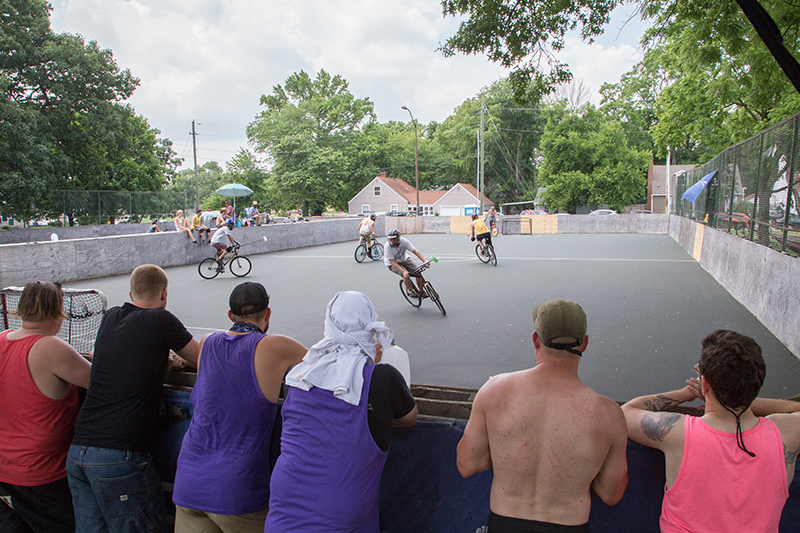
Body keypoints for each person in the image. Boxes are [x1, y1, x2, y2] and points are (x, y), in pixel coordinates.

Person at [457, 299, 628, 533]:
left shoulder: (494, 391)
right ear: (585, 344)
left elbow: (467, 465)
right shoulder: (609, 415)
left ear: (536, 340)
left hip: (504, 524)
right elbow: (611, 494)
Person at [265, 291, 417, 532]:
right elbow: (408, 418)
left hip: (285, 503)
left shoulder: (298, 375)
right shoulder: (382, 378)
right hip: (342, 513)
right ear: (370, 326)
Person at [622, 329, 800, 532]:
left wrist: (684, 394)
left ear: (704, 383)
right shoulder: (787, 432)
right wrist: (744, 397)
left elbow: (626, 412)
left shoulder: (677, 433)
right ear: (756, 384)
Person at [66, 264, 200, 533]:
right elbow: (203, 357)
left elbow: (111, 357)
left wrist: (159, 358)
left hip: (79, 451)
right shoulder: (160, 319)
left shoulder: (111, 316)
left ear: (131, 293)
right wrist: (172, 358)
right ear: (164, 294)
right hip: (120, 456)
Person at [172, 282, 307, 533]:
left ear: (230, 316)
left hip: (188, 484)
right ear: (267, 314)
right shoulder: (275, 346)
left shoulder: (207, 343)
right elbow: (328, 366)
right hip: (237, 491)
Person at [0, 281, 92, 533]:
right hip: (42, 475)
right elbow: (103, 383)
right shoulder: (51, 347)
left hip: (5, 470)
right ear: (58, 310)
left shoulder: (2, 339)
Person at [384, 228, 427, 298]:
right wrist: (404, 272)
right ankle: (411, 291)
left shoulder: (404, 241)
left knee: (418, 272)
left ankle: (421, 291)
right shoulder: (387, 246)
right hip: (392, 263)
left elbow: (415, 251)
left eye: (394, 239)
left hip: (404, 259)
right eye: (390, 239)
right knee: (406, 275)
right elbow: (393, 263)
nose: (392, 241)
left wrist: (424, 261)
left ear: (398, 238)